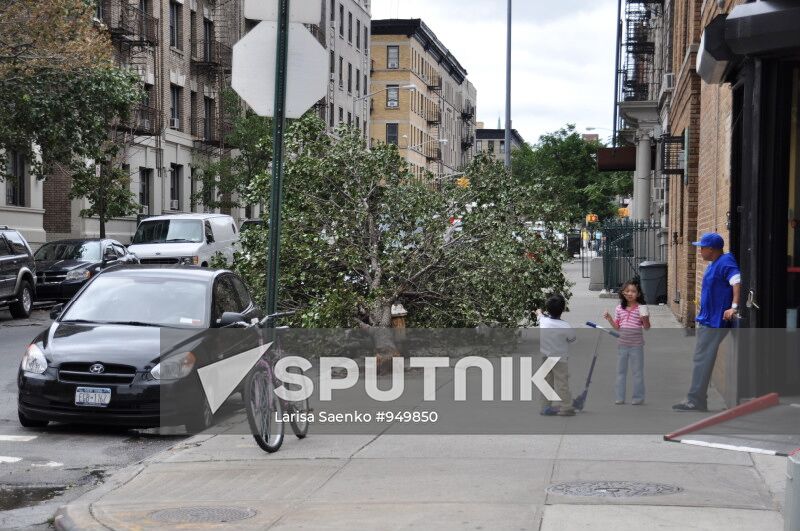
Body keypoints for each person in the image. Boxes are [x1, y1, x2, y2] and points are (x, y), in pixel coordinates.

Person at [673, 232, 741, 412]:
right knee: (701, 359)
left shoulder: (725, 262)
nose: (700, 251)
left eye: (702, 247)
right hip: (708, 320)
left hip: (714, 322)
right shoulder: (714, 263)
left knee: (701, 360)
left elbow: (737, 281)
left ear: (712, 249)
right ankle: (696, 399)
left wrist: (734, 306)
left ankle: (695, 401)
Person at [603, 280, 651, 405]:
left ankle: (638, 398)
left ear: (638, 294)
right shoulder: (619, 308)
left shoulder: (642, 308)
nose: (630, 293)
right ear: (623, 293)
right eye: (627, 291)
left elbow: (646, 327)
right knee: (620, 372)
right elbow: (618, 327)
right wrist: (610, 320)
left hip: (636, 345)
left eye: (634, 291)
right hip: (622, 345)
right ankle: (620, 397)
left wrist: (644, 319)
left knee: (637, 373)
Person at [536, 294, 577, 416]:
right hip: (560, 359)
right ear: (563, 309)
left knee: (546, 382)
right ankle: (566, 407)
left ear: (548, 310)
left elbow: (540, 316)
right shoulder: (565, 326)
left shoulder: (544, 321)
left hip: (546, 357)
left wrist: (539, 312)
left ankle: (545, 407)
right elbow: (572, 339)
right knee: (562, 382)